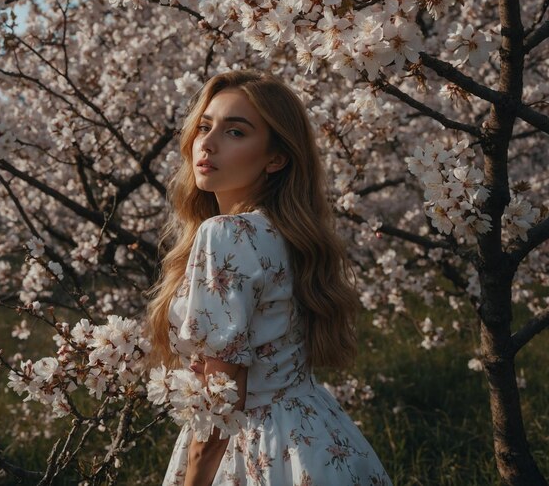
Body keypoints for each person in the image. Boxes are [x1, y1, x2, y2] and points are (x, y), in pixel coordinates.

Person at [146, 69, 392, 486]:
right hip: (316, 435)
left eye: (236, 132)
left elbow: (223, 394)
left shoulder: (225, 234)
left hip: (252, 446)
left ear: (276, 157)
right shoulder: (291, 235)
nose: (207, 143)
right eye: (204, 126)